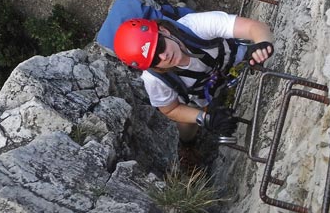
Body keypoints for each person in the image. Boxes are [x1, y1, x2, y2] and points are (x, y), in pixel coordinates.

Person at [113, 11, 274, 143]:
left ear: (164, 31)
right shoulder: (154, 79)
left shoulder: (196, 26)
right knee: (185, 127)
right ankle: (188, 148)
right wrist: (206, 119)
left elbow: (254, 27)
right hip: (203, 95)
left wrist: (262, 45)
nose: (164, 57)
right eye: (154, 60)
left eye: (160, 46)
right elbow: (171, 109)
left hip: (236, 60)